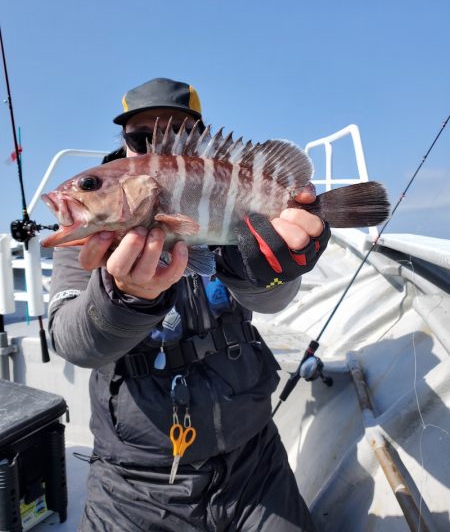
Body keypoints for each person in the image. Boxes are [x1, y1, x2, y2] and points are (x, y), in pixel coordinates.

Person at [48, 77, 331, 531]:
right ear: (124, 142)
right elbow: (72, 341)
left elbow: (275, 302)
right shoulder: (92, 228)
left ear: (198, 139)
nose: (155, 145)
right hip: (134, 480)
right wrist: (124, 297)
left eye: (177, 132)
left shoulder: (227, 203)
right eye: (142, 137)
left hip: (254, 461)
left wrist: (272, 269)